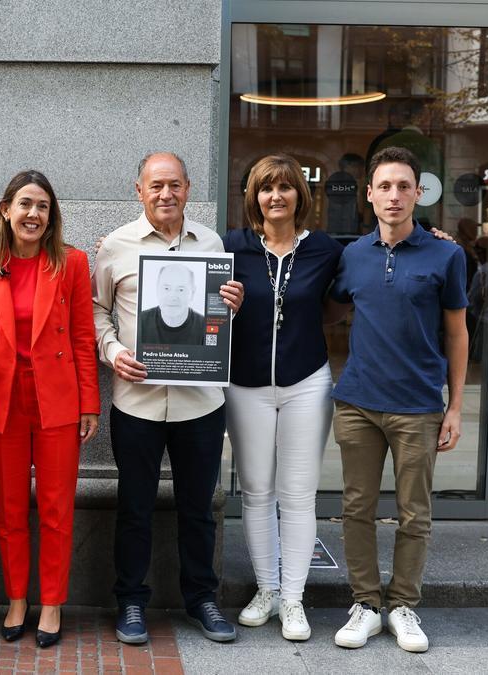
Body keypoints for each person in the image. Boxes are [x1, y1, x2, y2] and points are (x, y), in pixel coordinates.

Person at [92, 152, 244, 645]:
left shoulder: (212, 243)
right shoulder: (115, 246)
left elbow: (216, 323)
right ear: (139, 189)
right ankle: (131, 602)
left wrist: (232, 310)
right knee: (134, 507)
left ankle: (202, 599)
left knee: (198, 508)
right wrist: (113, 352)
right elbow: (96, 314)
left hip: (200, 402)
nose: (165, 194)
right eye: (156, 185)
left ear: (188, 188)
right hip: (135, 401)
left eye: (174, 185)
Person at [328, 146, 468, 654]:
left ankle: (403, 605)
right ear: (369, 194)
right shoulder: (352, 255)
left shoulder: (446, 255)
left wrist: (454, 406)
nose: (394, 195)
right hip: (358, 403)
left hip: (418, 407)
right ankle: (366, 604)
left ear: (418, 193)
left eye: (403, 186)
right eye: (384, 186)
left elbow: (458, 333)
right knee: (357, 507)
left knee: (415, 513)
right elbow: (326, 308)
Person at [0, 170, 100, 649]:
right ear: (6, 210)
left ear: (51, 216)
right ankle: (17, 599)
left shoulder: (72, 264)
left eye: (42, 206)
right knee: (10, 510)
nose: (33, 214)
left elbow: (84, 338)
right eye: (25, 204)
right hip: (3, 401)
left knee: (58, 509)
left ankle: (52, 603)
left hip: (57, 401)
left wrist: (89, 402)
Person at [223, 154, 344, 642]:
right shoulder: (232, 247)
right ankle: (266, 590)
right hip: (245, 385)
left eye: (285, 187)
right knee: (255, 492)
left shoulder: (326, 250)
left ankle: (293, 599)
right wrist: (114, 247)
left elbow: (381, 250)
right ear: (253, 196)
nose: (276, 196)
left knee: (297, 495)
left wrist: (434, 237)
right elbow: (177, 259)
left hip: (306, 382)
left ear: (300, 196)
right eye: (266, 188)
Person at [138, 263, 206, 345]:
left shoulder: (205, 327)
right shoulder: (141, 322)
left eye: (181, 290)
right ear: (157, 289)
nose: (173, 296)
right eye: (166, 288)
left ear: (193, 292)